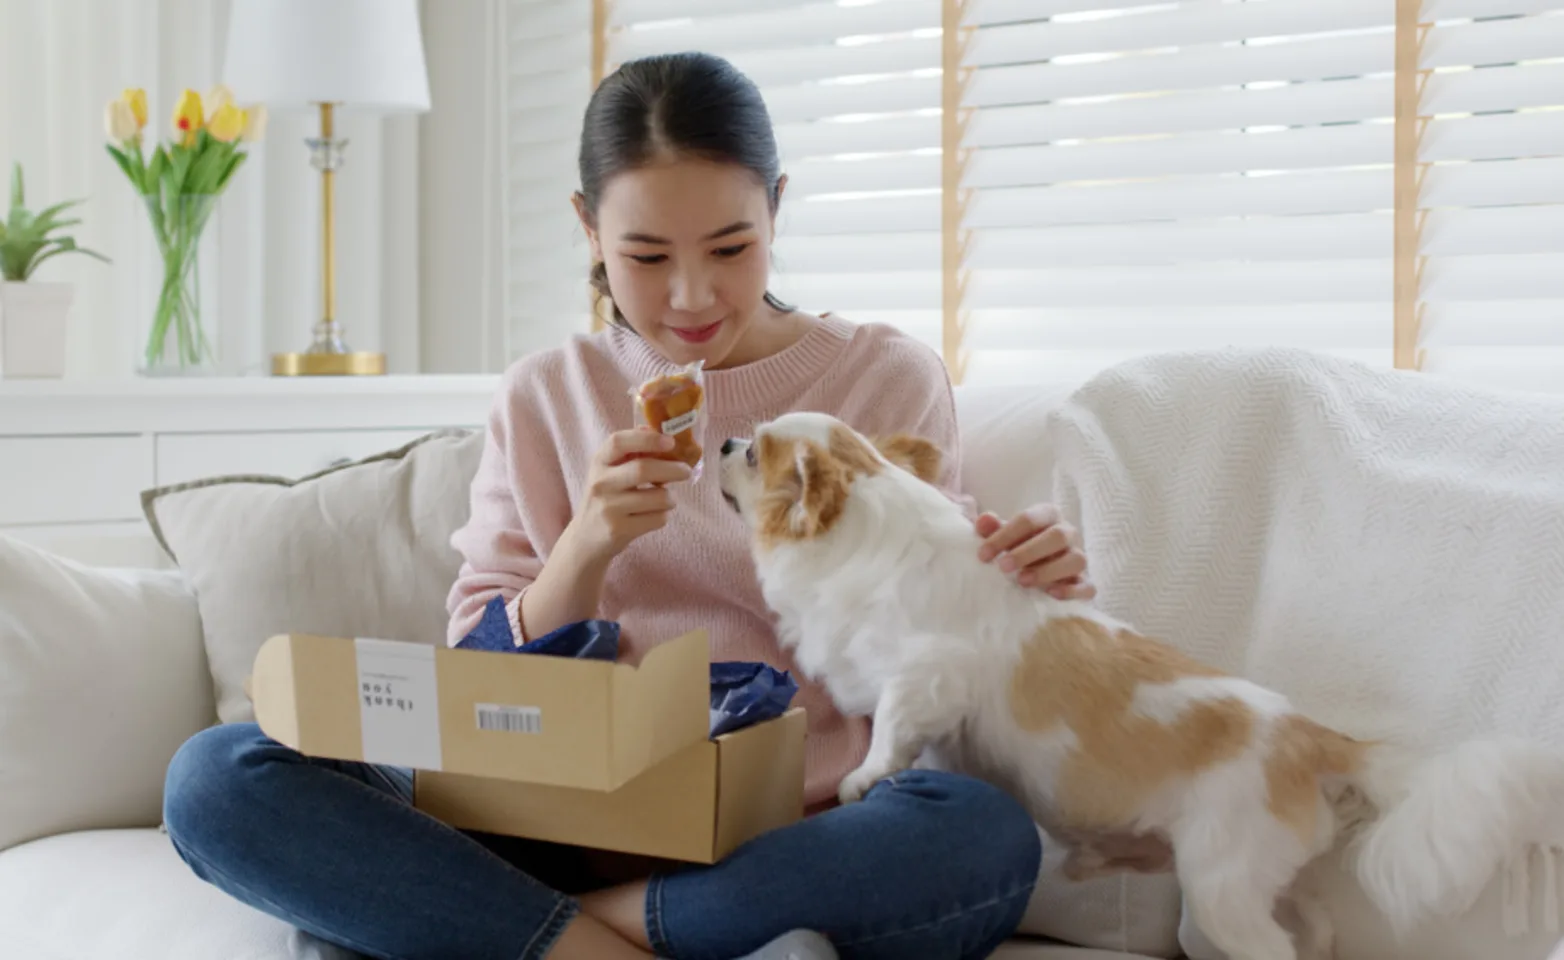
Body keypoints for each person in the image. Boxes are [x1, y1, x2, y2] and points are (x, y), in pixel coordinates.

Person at [161, 51, 1096, 960]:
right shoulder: (545, 394)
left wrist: (1017, 584)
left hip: (780, 828)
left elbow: (930, 639)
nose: (692, 297)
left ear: (777, 206)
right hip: (547, 810)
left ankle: (498, 925)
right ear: (588, 228)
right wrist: (586, 545)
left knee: (978, 837)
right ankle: (618, 940)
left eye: (731, 248)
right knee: (216, 778)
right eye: (645, 256)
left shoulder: (881, 378)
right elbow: (477, 672)